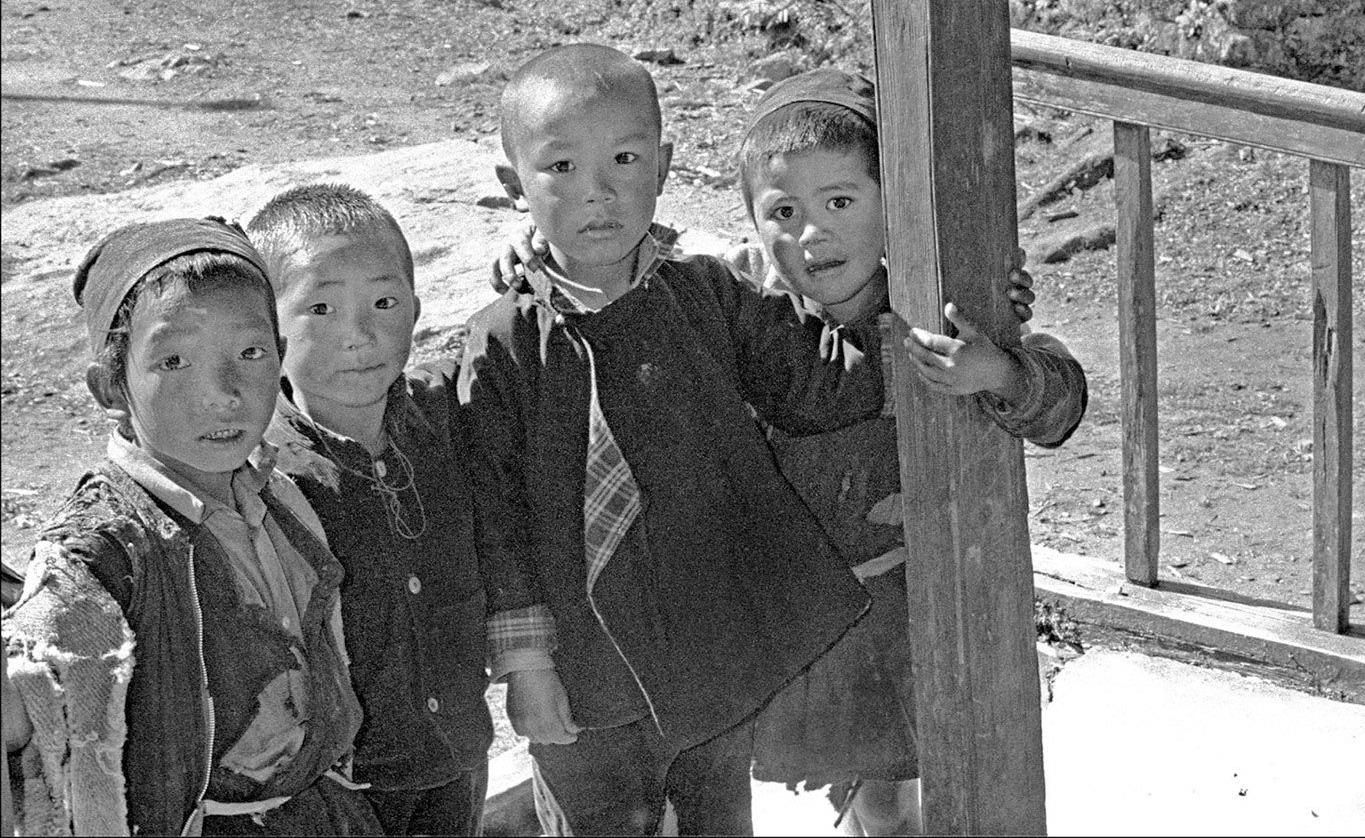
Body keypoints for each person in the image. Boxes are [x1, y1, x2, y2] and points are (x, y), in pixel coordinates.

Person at [457, 43, 1014, 837]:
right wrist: (525, 663)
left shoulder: (705, 293)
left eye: (624, 160)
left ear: (663, 166)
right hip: (583, 674)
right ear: (516, 186)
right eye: (562, 168)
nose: (598, 192)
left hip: (712, 658)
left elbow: (815, 382)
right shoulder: (504, 341)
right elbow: (497, 518)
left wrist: (951, 314)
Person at [733, 69, 1088, 836]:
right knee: (865, 793)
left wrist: (998, 368)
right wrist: (538, 259)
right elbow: (639, 285)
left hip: (913, 615)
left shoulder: (936, 310)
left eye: (840, 202)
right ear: (753, 223)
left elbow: (1058, 403)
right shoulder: (750, 315)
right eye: (784, 211)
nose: (812, 234)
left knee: (904, 793)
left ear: (892, 203)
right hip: (808, 624)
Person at [2, 219, 379, 836]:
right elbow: (42, 726)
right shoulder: (98, 556)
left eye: (250, 354)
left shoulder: (281, 497)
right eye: (174, 361)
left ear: (281, 354)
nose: (223, 394)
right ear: (110, 387)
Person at [249, 184, 494, 835]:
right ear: (268, 329)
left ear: (416, 310)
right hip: (342, 790)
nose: (359, 336)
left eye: (384, 303)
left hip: (457, 757)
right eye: (321, 308)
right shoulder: (257, 473)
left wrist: (535, 260)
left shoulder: (447, 412)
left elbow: (520, 341)